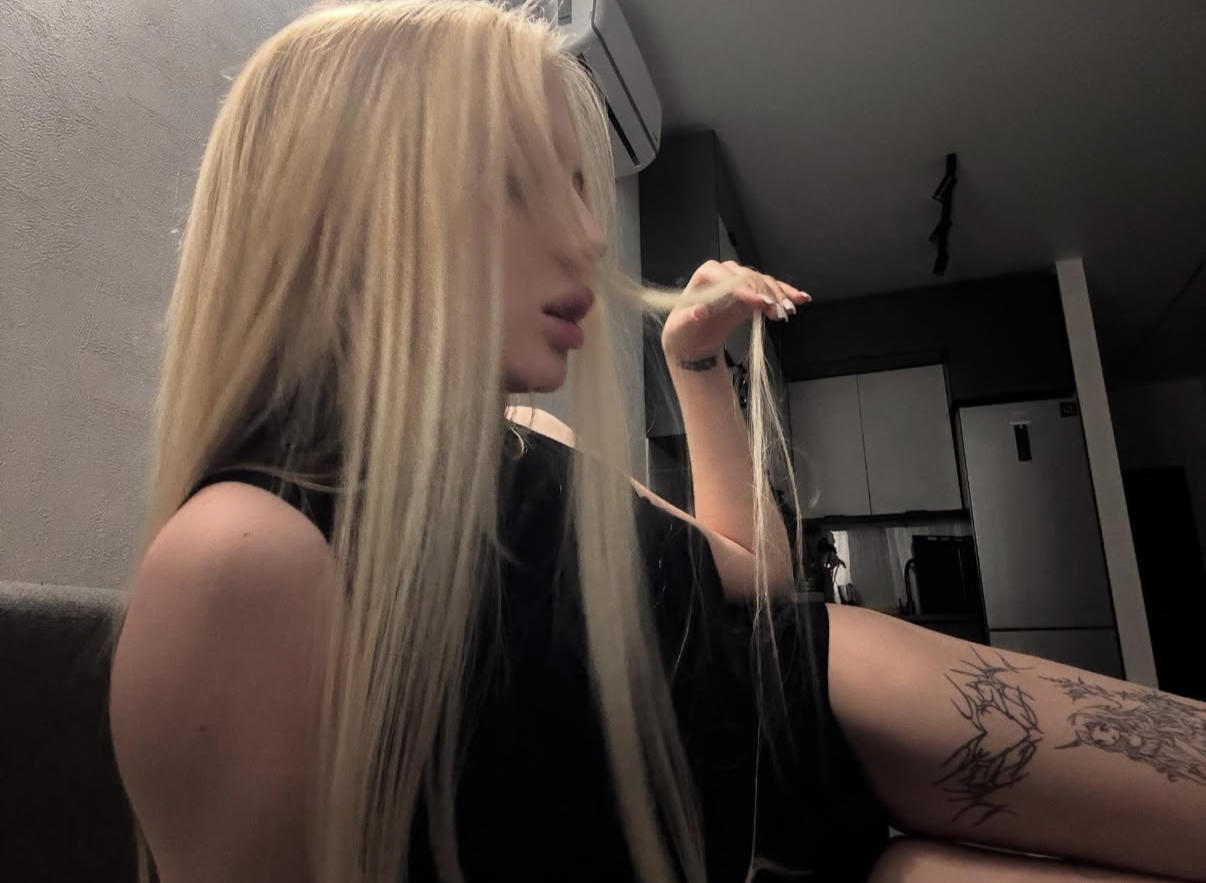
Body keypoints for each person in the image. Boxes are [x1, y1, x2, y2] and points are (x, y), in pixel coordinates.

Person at [107, 3, 1206, 882]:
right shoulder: (241, 556)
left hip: (844, 700)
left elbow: (760, 576)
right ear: (347, 205)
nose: (589, 233)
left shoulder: (525, 440)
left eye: (581, 188)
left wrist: (693, 364)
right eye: (520, 181)